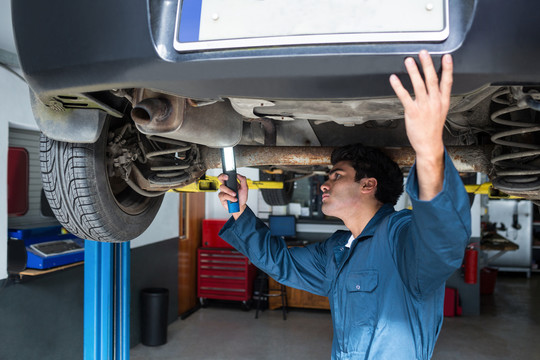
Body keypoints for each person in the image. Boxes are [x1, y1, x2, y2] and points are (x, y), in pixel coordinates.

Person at [217, 50, 471, 360]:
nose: (324, 183)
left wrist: (430, 149)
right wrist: (241, 211)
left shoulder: (399, 235)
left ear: (368, 184)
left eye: (336, 175)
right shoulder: (337, 251)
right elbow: (281, 263)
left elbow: (442, 241)